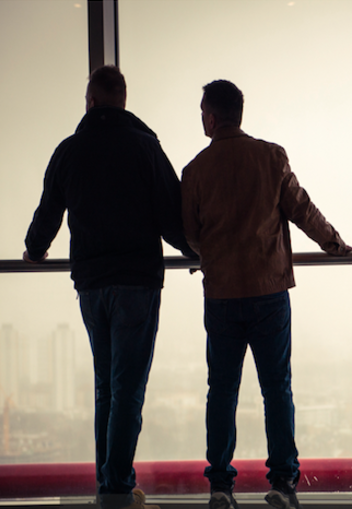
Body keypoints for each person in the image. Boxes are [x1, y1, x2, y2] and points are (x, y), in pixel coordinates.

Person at [23, 65, 196, 509]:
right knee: (128, 388)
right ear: (123, 99)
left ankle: (110, 485)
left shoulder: (69, 150)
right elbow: (170, 214)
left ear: (92, 101)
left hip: (92, 284)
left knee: (106, 387)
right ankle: (117, 487)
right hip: (137, 282)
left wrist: (35, 250)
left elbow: (48, 213)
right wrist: (196, 252)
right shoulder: (145, 147)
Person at [181, 80, 352, 509]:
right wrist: (334, 243)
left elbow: (190, 235)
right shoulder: (271, 157)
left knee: (221, 390)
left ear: (211, 117)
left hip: (221, 294)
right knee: (277, 389)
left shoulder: (195, 170)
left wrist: (212, 255)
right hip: (268, 291)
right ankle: (283, 483)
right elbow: (302, 209)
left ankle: (220, 484)